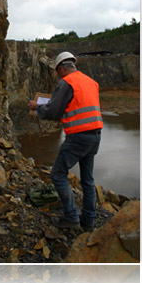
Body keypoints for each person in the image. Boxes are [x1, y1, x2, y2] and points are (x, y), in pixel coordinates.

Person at [28, 51, 103, 232]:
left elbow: (54, 111)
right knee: (88, 180)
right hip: (95, 136)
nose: (57, 75)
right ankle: (89, 220)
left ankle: (71, 217)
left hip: (78, 136)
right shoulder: (90, 82)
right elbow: (77, 107)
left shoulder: (66, 82)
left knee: (58, 175)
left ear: (62, 68)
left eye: (57, 71)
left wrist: (36, 107)